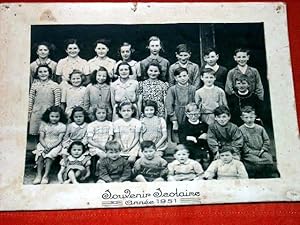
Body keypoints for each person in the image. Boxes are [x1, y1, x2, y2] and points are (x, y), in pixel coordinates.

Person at [32, 106, 67, 184]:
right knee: (40, 156)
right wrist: (45, 146)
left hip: (56, 144)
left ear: (60, 117)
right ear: (48, 116)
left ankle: (46, 175)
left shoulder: (62, 126)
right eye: (52, 116)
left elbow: (59, 139)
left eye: (57, 116)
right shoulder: (44, 124)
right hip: (44, 143)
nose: (54, 118)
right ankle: (39, 175)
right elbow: (41, 138)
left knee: (49, 157)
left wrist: (51, 147)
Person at [239, 106, 275, 178]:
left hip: (261, 151)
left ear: (255, 117)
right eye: (246, 117)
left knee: (269, 159)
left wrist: (263, 149)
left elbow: (266, 140)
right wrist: (251, 152)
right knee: (255, 161)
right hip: (249, 153)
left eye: (251, 117)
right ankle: (257, 174)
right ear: (242, 118)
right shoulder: (240, 129)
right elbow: (242, 144)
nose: (249, 120)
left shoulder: (260, 128)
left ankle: (265, 174)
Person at [28, 65, 61, 143]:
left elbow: (57, 102)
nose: (43, 74)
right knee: (36, 131)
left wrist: (55, 112)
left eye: (45, 71)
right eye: (40, 72)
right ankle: (37, 149)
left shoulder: (55, 85)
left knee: (47, 131)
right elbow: (31, 99)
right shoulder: (35, 85)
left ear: (49, 73)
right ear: (37, 74)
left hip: (49, 112)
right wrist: (30, 111)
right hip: (37, 111)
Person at [166, 67, 197, 142]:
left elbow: (196, 103)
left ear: (188, 76)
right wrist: (174, 120)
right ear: (175, 78)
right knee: (178, 133)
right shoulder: (172, 89)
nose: (182, 78)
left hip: (190, 113)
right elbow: (169, 105)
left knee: (189, 132)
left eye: (184, 76)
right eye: (179, 76)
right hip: (178, 113)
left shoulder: (193, 89)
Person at [178, 103, 210, 168]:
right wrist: (189, 138)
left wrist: (205, 136)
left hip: (202, 147)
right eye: (190, 114)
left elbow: (207, 138)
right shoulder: (183, 126)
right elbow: (182, 139)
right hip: (190, 148)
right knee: (195, 157)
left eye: (195, 114)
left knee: (206, 157)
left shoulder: (204, 125)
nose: (193, 116)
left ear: (199, 114)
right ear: (187, 114)